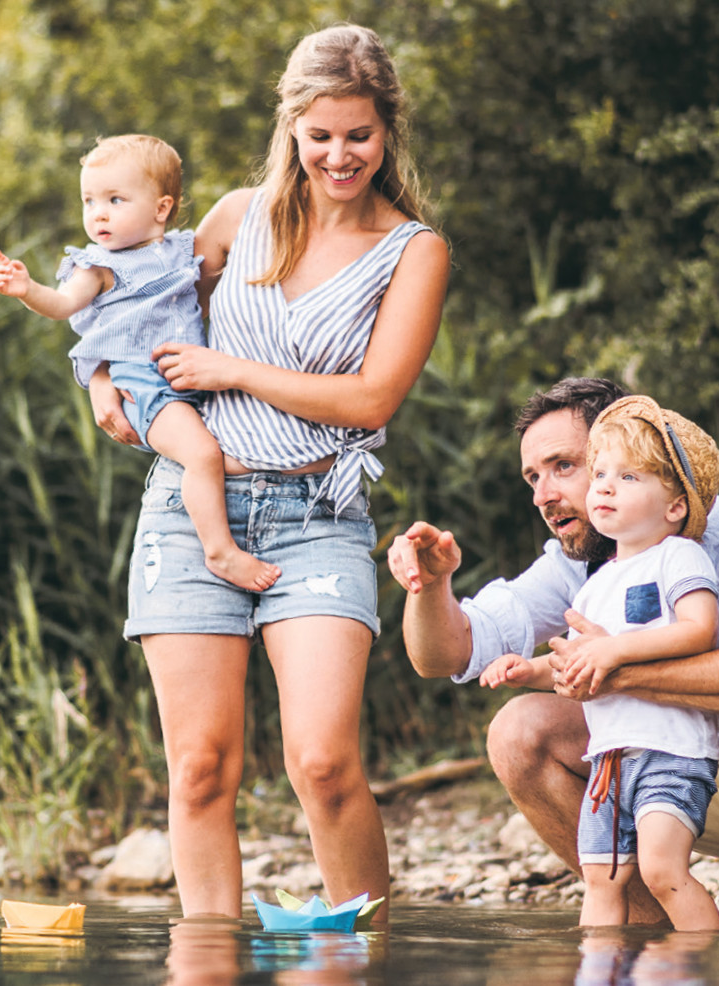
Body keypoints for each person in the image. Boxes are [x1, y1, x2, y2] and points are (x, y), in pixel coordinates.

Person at [90, 25, 450, 922]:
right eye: (320, 134)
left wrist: (235, 372)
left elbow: (371, 401)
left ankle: (365, 955)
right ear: (292, 126)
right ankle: (207, 957)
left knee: (323, 763)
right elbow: (131, 307)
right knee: (202, 768)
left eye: (358, 135)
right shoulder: (233, 219)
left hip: (315, 513)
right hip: (191, 508)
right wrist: (100, 376)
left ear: (387, 133)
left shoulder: (412, 250)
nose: (339, 155)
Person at [388, 377, 719, 926]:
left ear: (635, 451)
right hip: (689, 778)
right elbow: (446, 655)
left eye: (565, 467)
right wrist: (430, 588)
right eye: (533, 477)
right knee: (516, 733)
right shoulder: (581, 564)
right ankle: (652, 936)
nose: (542, 496)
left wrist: (617, 671)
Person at [0, 134, 279, 592]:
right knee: (203, 454)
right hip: (144, 385)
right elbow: (63, 304)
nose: (98, 213)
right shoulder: (99, 267)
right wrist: (28, 290)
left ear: (161, 208)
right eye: (89, 201)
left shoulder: (182, 251)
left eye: (114, 199)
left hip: (191, 379)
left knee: (217, 447)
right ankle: (220, 551)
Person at [482, 395, 719, 931]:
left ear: (675, 506)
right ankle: (598, 966)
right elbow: (575, 659)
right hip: (608, 761)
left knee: (663, 870)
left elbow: (697, 629)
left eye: (629, 477)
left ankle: (702, 963)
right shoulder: (598, 583)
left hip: (671, 751)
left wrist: (614, 650)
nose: (606, 487)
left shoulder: (678, 556)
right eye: (600, 476)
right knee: (600, 876)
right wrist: (530, 671)